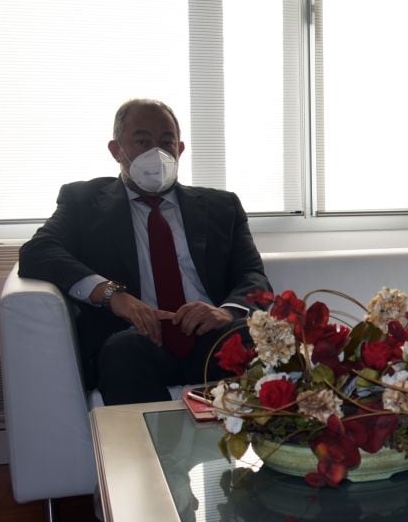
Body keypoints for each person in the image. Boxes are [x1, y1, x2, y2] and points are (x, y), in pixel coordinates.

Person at [19, 99, 271, 405]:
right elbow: (38, 252)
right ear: (116, 150)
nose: (157, 152)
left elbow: (253, 275)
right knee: (124, 352)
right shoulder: (83, 201)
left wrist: (225, 312)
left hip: (211, 337)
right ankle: (154, 453)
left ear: (180, 149)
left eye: (166, 142)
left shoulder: (221, 206)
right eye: (142, 141)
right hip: (135, 340)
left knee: (268, 340)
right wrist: (113, 295)